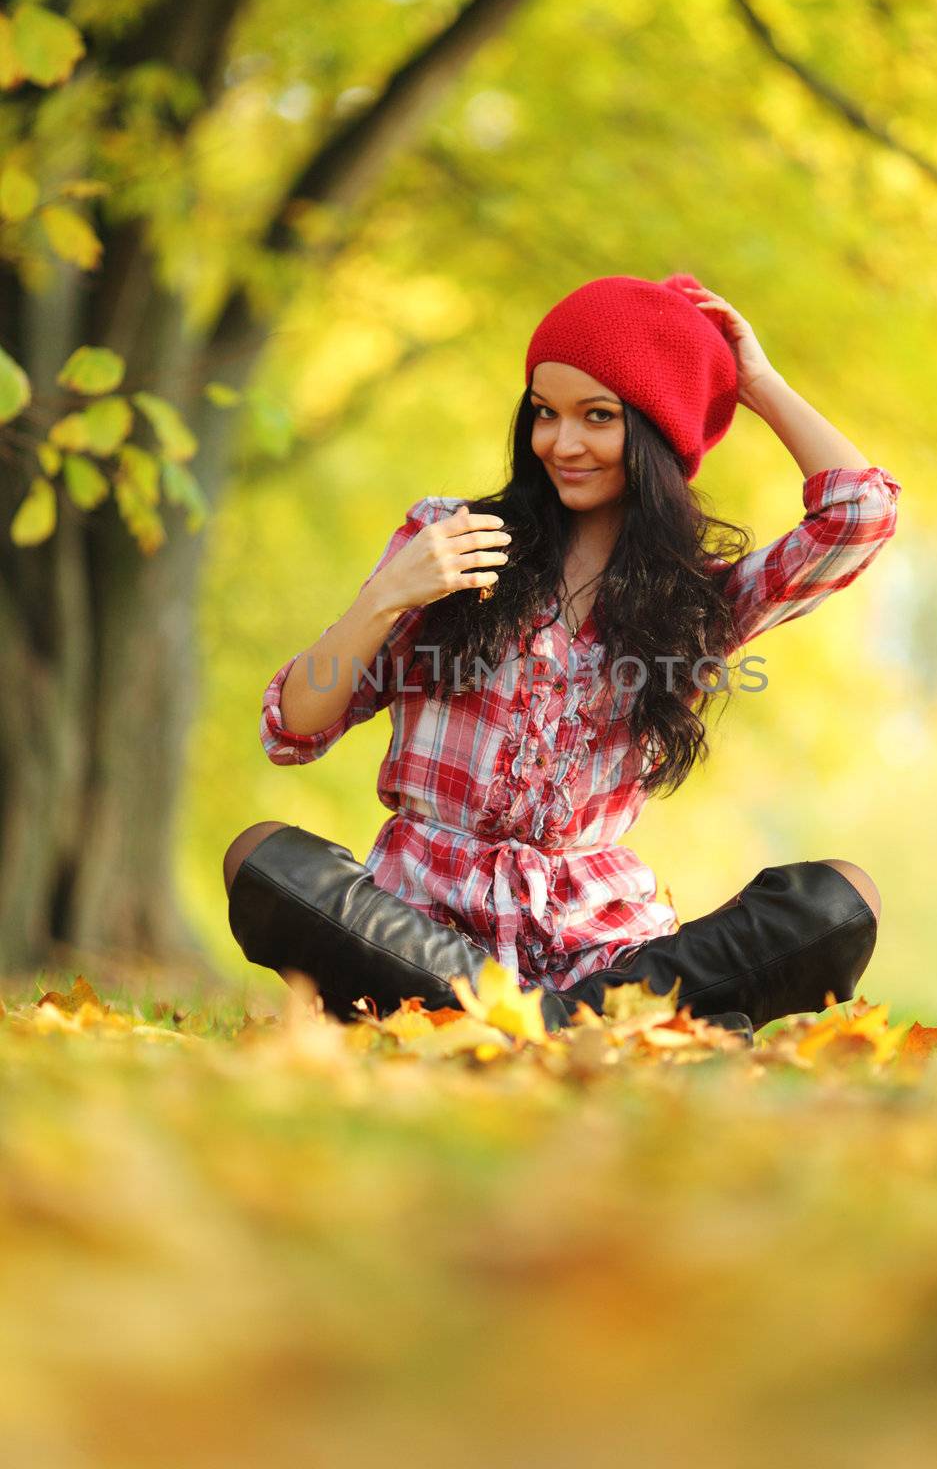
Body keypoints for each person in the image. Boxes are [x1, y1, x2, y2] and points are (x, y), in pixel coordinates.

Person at [223, 272, 900, 1042]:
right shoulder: (452, 540)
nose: (560, 443)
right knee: (263, 860)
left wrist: (756, 383)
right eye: (544, 413)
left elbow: (859, 516)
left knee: (842, 899)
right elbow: (293, 731)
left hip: (598, 949)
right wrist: (386, 596)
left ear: (655, 437)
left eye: (597, 417)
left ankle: (534, 1021)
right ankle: (579, 1028)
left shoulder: (694, 606)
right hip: (422, 933)